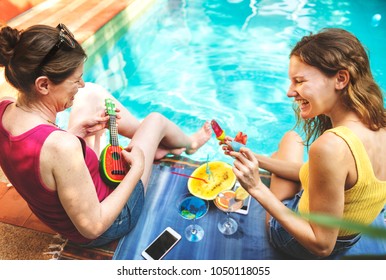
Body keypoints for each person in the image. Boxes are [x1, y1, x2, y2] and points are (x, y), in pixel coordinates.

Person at [0, 23, 212, 247]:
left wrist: (75, 133)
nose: (80, 84)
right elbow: (93, 227)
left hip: (75, 197)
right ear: (43, 84)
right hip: (111, 220)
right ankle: (189, 144)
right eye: (75, 80)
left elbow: (39, 160)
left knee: (91, 93)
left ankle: (155, 146)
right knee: (155, 121)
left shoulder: (5, 109)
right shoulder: (61, 147)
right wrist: (137, 169)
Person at [222, 28, 386, 259]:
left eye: (299, 81)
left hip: (300, 242)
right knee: (292, 138)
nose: (290, 92)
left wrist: (256, 187)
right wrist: (253, 157)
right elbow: (322, 176)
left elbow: (322, 245)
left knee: (285, 147)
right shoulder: (379, 123)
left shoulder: (331, 147)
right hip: (348, 234)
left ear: (341, 78)